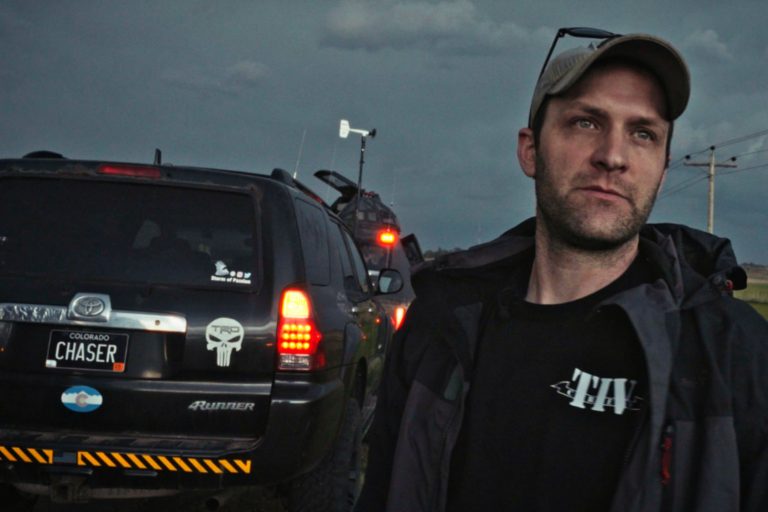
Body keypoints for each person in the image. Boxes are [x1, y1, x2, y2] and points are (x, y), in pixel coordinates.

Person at [356, 30, 768, 512]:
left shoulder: (732, 355)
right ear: (530, 150)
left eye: (643, 133)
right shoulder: (441, 326)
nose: (613, 156)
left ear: (661, 166)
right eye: (586, 122)